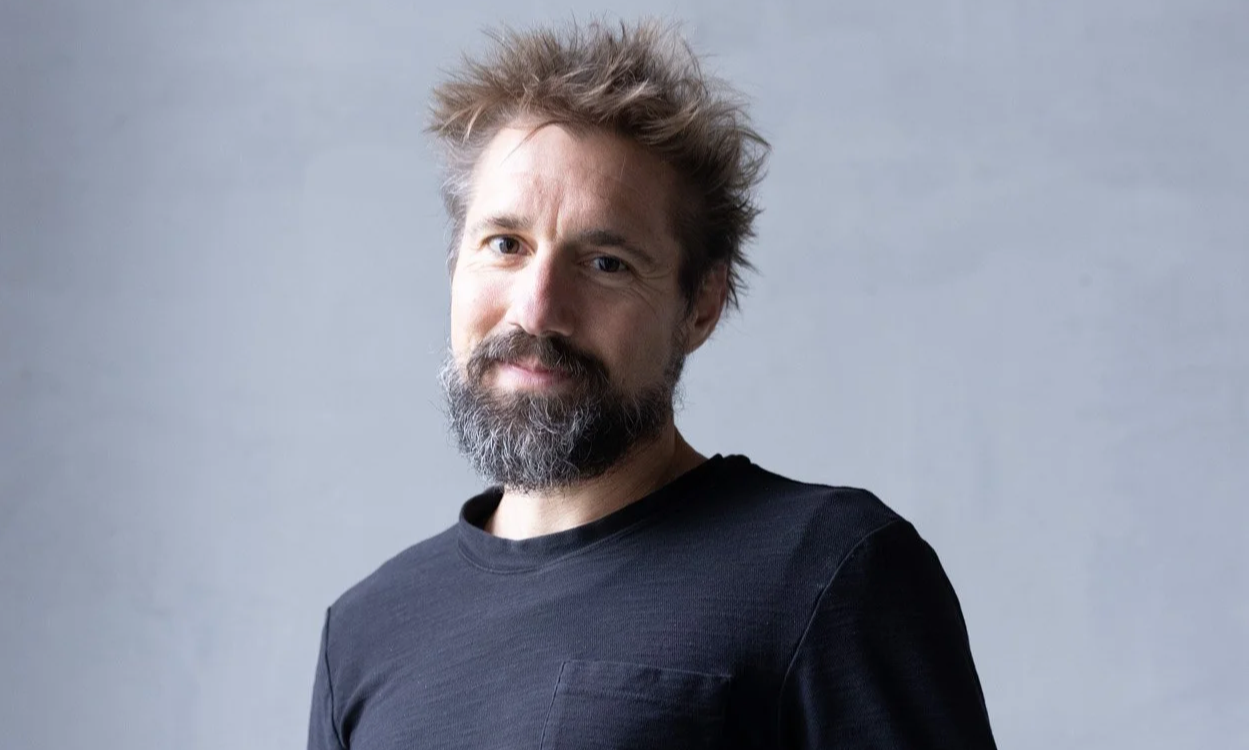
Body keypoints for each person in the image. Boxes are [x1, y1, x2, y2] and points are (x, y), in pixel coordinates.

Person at [308, 18, 997, 750]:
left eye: (606, 262)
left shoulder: (825, 572)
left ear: (700, 305)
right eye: (505, 245)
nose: (538, 309)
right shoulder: (366, 629)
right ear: (455, 267)